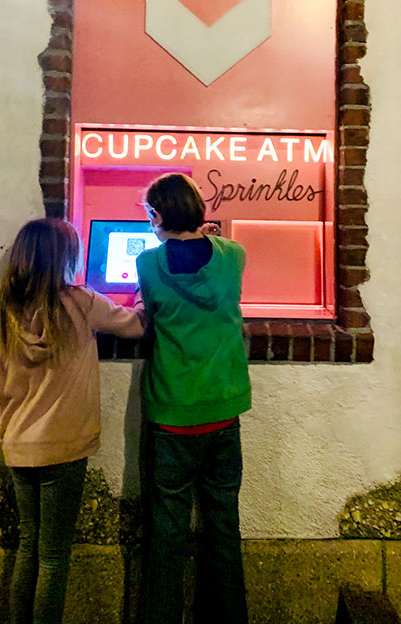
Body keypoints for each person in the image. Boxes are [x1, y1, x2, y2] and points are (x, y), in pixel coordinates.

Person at [0, 217, 145, 624]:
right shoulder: (82, 303)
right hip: (67, 447)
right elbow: (136, 325)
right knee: (54, 557)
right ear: (67, 257)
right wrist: (141, 292)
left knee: (29, 547)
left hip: (19, 446)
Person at [136, 173, 251, 624]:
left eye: (149, 215)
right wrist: (209, 239)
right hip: (223, 414)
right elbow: (216, 256)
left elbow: (148, 310)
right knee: (224, 529)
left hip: (172, 418)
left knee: (166, 536)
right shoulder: (233, 255)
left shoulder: (149, 265)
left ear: (159, 216)